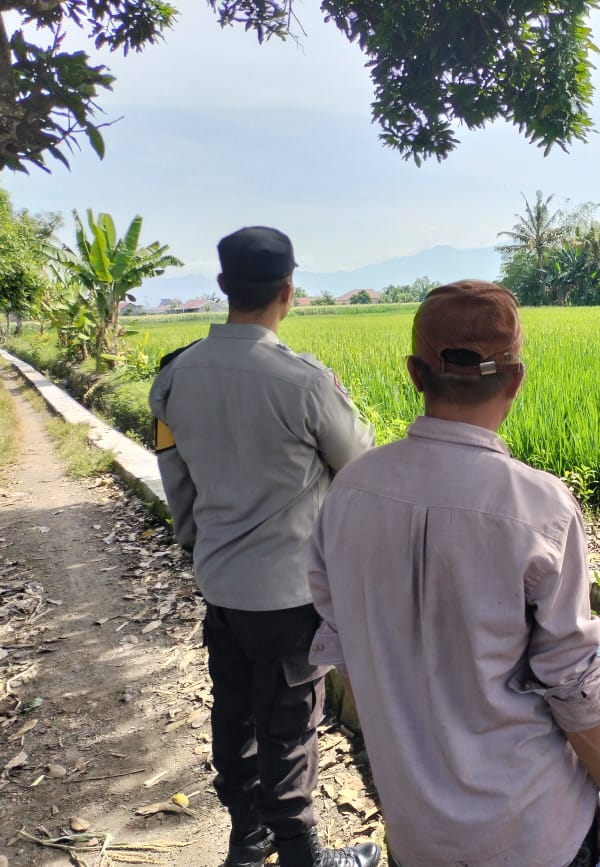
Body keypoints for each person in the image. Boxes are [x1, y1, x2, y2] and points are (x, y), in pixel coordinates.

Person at [307, 280, 600, 867]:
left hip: (417, 831)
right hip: (532, 831)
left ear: (415, 373)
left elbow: (344, 640)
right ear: (516, 379)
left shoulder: (349, 493)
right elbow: (575, 682)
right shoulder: (539, 509)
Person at [149, 226, 380, 867]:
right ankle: (304, 854)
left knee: (235, 713)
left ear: (223, 286)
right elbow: (359, 468)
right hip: (291, 596)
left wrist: (200, 551)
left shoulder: (174, 378)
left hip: (221, 587)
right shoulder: (304, 383)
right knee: (288, 729)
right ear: (289, 292)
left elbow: (178, 482)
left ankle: (246, 844)